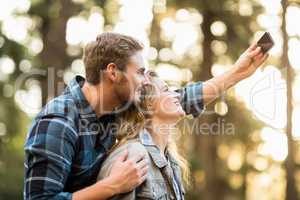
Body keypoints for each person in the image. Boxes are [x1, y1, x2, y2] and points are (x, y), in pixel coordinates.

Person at [24, 31, 268, 200]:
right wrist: (110, 186)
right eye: (140, 72)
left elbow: (171, 101)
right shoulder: (59, 121)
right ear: (113, 72)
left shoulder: (113, 111)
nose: (144, 81)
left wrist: (237, 73)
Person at [98, 72, 189, 200]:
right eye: (166, 90)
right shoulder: (133, 155)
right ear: (149, 103)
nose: (178, 95)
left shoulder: (172, 161)